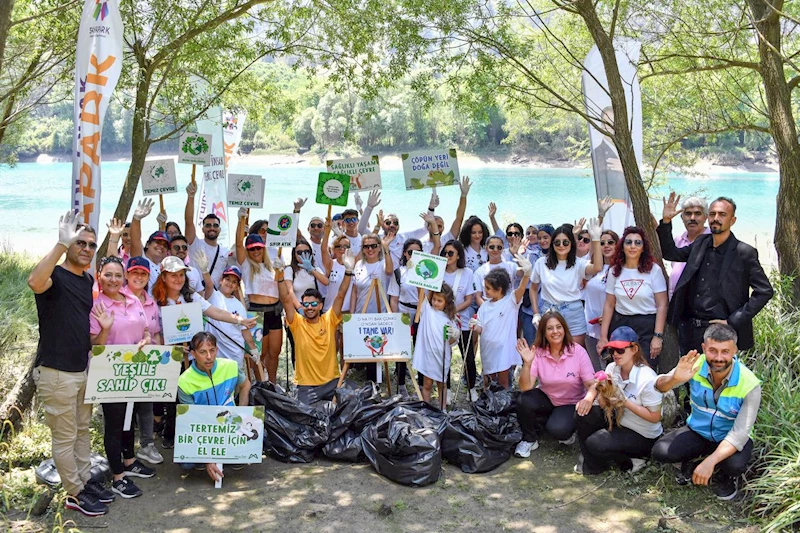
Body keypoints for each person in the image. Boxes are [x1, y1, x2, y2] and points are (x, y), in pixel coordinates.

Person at [28, 211, 112, 516]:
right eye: (81, 243)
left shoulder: (87, 279)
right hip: (56, 373)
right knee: (64, 437)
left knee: (81, 431)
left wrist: (104, 329)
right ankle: (73, 493)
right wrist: (60, 245)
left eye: (91, 244)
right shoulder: (54, 276)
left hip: (81, 370)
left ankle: (84, 481)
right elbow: (34, 282)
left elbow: (83, 334)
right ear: (70, 244)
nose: (87, 248)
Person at [152, 256, 256, 447]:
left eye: (181, 274)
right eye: (173, 275)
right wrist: (169, 346)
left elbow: (214, 311)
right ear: (163, 276)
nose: (178, 279)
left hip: (191, 357)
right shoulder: (155, 301)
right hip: (167, 357)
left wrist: (240, 320)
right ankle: (171, 434)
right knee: (170, 396)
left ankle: (196, 436)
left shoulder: (191, 297)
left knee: (189, 393)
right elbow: (153, 330)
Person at [651, 324, 761, 501]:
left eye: (725, 351)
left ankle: (723, 476)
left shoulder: (750, 384)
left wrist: (711, 462)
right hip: (699, 431)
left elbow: (740, 434)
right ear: (703, 348)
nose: (718, 358)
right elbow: (658, 387)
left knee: (735, 465)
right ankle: (695, 462)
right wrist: (674, 379)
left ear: (735, 350)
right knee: (661, 451)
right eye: (712, 350)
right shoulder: (694, 364)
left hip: (730, 437)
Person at [658, 193, 773, 353]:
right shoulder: (700, 243)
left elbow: (764, 291)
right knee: (690, 376)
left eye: (722, 214)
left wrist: (733, 320)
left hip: (722, 332)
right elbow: (671, 253)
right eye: (712, 214)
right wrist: (666, 222)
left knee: (718, 377)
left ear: (732, 220)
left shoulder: (744, 252)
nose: (715, 218)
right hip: (690, 330)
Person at [89, 256, 156, 499]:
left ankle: (129, 461)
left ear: (124, 277)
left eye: (118, 275)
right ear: (100, 276)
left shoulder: (133, 300)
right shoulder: (98, 306)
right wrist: (105, 328)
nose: (113, 280)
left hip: (136, 373)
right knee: (115, 424)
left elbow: (146, 330)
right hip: (110, 375)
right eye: (108, 274)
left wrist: (147, 340)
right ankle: (118, 477)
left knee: (131, 420)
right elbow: (93, 344)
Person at [574, 327, 663, 475]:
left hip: (642, 434)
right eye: (612, 350)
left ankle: (634, 458)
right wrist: (589, 398)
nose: (615, 354)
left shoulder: (647, 378)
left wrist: (625, 402)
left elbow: (655, 418)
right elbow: (597, 385)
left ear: (634, 349)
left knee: (595, 443)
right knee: (582, 413)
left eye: (620, 350)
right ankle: (593, 463)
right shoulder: (612, 368)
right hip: (620, 421)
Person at [275, 249, 356, 404]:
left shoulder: (330, 319)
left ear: (320, 306)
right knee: (307, 420)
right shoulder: (297, 323)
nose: (309, 307)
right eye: (306, 304)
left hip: (332, 382)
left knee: (351, 407)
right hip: (307, 387)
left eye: (313, 304)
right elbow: (286, 299)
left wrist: (348, 271)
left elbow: (341, 294)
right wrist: (279, 276)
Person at [513, 311, 595, 458]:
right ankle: (530, 439)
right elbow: (526, 387)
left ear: (564, 329)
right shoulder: (538, 352)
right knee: (522, 400)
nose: (555, 331)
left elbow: (591, 384)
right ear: (543, 332)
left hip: (570, 403)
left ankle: (564, 428)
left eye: (559, 327)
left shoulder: (578, 351)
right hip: (548, 397)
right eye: (550, 328)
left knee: (558, 431)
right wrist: (527, 363)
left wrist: (588, 399)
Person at [177, 332, 251, 484]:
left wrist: (242, 413)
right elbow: (190, 420)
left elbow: (245, 385)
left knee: (258, 439)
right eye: (202, 352)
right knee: (186, 462)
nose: (209, 356)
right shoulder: (184, 381)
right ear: (193, 354)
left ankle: (229, 455)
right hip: (202, 428)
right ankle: (214, 459)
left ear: (217, 350)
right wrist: (207, 458)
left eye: (212, 350)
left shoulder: (230, 366)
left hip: (229, 423)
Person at [597, 227, 668, 369]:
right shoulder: (614, 271)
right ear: (622, 246)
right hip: (621, 323)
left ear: (643, 248)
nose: (633, 246)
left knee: (645, 368)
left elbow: (662, 305)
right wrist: (603, 336)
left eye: (638, 243)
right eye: (628, 242)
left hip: (646, 325)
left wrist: (657, 336)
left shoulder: (654, 270)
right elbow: (609, 305)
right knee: (620, 368)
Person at [529, 219, 604, 347]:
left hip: (573, 311)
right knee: (552, 353)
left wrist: (596, 239)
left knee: (575, 352)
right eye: (557, 242)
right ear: (552, 244)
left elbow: (597, 267)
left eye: (565, 242)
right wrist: (536, 313)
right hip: (550, 311)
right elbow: (533, 288)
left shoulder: (578, 263)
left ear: (571, 244)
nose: (561, 245)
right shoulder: (541, 263)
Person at [120, 256, 164, 466]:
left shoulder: (152, 302)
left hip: (147, 362)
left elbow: (156, 334)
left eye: (143, 274)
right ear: (127, 274)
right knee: (119, 410)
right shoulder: (117, 296)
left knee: (145, 405)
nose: (139, 277)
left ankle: (147, 445)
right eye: (135, 272)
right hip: (121, 363)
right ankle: (120, 449)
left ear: (148, 277)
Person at [469, 254, 532, 389]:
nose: (485, 291)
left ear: (499, 289)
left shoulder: (510, 302)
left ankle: (504, 406)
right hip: (488, 348)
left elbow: (521, 289)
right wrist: (474, 327)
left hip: (504, 349)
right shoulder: (484, 306)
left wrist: (527, 274)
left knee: (503, 380)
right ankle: (489, 404)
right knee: (488, 379)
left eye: (488, 288)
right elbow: (480, 328)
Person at [235, 213, 283, 383]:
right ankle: (260, 383)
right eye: (252, 248)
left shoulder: (273, 262)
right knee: (258, 354)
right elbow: (239, 245)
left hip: (275, 310)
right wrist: (241, 220)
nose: (255, 251)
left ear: (264, 247)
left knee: (274, 352)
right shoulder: (246, 264)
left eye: (258, 247)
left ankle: (272, 383)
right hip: (257, 312)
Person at [349, 232, 395, 382]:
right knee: (365, 349)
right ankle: (369, 383)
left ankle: (376, 383)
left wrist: (386, 248)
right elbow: (355, 291)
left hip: (379, 316)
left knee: (376, 349)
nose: (370, 249)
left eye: (374, 246)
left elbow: (389, 270)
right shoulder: (358, 265)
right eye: (366, 246)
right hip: (361, 314)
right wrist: (351, 315)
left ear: (378, 247)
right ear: (362, 249)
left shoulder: (382, 263)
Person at [439, 239, 479, 401]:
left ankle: (471, 388)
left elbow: (469, 299)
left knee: (467, 355)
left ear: (458, 256)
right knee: (445, 355)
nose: (447, 256)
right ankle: (446, 389)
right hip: (443, 319)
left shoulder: (467, 273)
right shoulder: (439, 272)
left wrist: (454, 310)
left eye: (450, 253)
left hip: (462, 318)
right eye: (444, 253)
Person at [388, 238, 425, 398]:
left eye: (418, 252)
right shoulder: (399, 272)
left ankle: (423, 382)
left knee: (421, 348)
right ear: (405, 253)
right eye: (411, 252)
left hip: (422, 312)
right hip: (404, 311)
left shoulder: (427, 272)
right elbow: (394, 299)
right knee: (402, 349)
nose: (414, 255)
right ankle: (401, 383)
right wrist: (396, 319)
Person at [284, 238, 330, 366]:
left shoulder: (314, 268)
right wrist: (300, 308)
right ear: (294, 254)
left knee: (314, 344)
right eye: (299, 252)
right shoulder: (290, 270)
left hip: (313, 312)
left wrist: (311, 270)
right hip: (297, 313)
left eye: (306, 251)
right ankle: (299, 376)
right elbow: (290, 291)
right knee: (298, 345)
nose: (303, 254)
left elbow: (326, 281)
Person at [412, 284, 460, 404]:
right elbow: (421, 291)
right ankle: (426, 409)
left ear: (447, 302)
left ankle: (442, 410)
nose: (436, 303)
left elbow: (451, 342)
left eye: (440, 301)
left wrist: (455, 335)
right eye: (434, 299)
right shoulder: (427, 310)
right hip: (429, 355)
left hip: (442, 356)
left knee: (442, 384)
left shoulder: (450, 318)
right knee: (427, 385)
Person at [204, 266, 258, 371]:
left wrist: (254, 349)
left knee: (235, 383)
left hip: (234, 352)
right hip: (214, 352)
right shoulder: (213, 296)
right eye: (227, 279)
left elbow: (245, 331)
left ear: (237, 286)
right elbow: (209, 284)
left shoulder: (239, 306)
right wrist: (205, 271)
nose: (230, 283)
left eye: (234, 282)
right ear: (221, 281)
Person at [582, 229, 619, 370]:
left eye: (610, 242)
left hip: (612, 327)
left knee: (613, 371)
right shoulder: (592, 268)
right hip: (590, 328)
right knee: (596, 371)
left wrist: (612, 314)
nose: (606, 246)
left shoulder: (621, 269)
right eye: (602, 243)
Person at [185, 182, 230, 288]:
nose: (212, 228)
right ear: (203, 228)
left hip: (215, 296)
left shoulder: (225, 252)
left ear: (219, 229)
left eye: (215, 225)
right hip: (195, 293)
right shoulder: (194, 244)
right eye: (208, 225)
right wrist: (191, 197)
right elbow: (188, 221)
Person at [668, 196, 710, 298]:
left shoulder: (713, 240)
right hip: (675, 302)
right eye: (688, 214)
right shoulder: (678, 240)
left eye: (697, 214)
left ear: (706, 217)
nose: (692, 218)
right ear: (682, 217)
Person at [473, 236, 517, 307]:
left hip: (509, 308)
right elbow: (478, 297)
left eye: (499, 247)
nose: (495, 250)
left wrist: (516, 254)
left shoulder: (512, 266)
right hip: (489, 308)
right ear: (486, 248)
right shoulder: (479, 271)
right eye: (492, 247)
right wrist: (488, 311)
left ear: (503, 248)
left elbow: (524, 275)